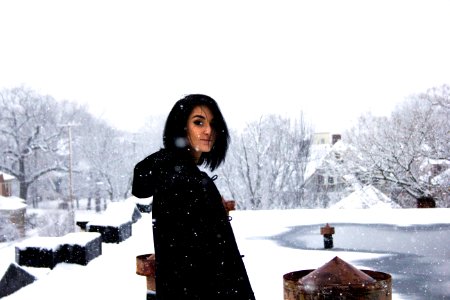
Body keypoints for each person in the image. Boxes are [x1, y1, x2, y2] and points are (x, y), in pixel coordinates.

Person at [132, 94, 256, 299]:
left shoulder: (173, 173)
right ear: (181, 127)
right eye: (199, 122)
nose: (208, 130)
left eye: (213, 124)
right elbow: (203, 262)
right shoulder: (187, 181)